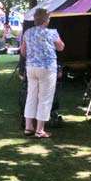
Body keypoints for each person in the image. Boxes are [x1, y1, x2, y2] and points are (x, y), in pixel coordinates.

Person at [20, 8, 65, 138]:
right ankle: (40, 130)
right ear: (46, 20)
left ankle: (28, 127)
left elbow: (23, 51)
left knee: (31, 96)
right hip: (47, 68)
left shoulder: (28, 32)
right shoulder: (51, 32)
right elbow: (61, 47)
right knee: (45, 98)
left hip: (31, 67)